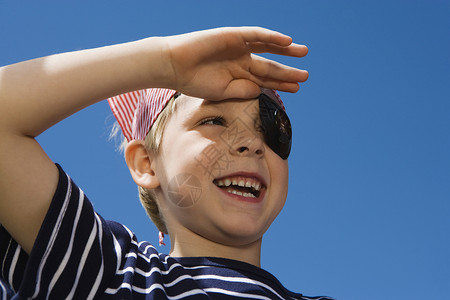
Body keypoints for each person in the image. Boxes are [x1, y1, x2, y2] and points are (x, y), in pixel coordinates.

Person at [0, 27, 332, 299]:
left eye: (272, 129)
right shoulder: (111, 274)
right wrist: (165, 61)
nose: (251, 143)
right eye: (213, 120)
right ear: (146, 163)